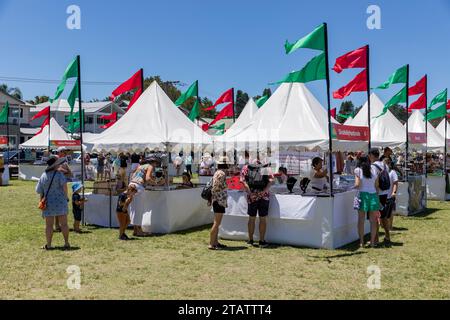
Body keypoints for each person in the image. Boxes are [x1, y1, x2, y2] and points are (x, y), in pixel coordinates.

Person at [36, 155, 71, 250]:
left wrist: (41, 201)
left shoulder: (43, 176)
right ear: (55, 165)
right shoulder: (59, 174)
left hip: (48, 203)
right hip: (61, 202)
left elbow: (39, 191)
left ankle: (49, 244)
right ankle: (66, 243)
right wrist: (66, 197)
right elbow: (64, 187)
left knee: (49, 225)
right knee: (64, 224)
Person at [240, 157, 274, 248]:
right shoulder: (265, 166)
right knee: (263, 219)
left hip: (252, 196)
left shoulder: (247, 167)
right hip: (264, 196)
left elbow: (242, 180)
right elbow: (271, 180)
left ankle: (250, 240)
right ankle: (261, 241)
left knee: (251, 218)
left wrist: (250, 192)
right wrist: (264, 191)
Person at [129, 154, 166, 237]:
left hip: (132, 185)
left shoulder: (140, 166)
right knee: (139, 209)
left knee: (134, 209)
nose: (157, 165)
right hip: (138, 187)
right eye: (156, 163)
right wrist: (157, 183)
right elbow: (148, 179)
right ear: (154, 162)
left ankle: (136, 230)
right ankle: (139, 231)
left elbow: (133, 176)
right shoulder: (150, 167)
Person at [354, 156, 380, 248]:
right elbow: (377, 185)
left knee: (361, 220)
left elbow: (357, 185)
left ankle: (361, 242)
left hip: (362, 195)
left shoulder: (358, 170)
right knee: (373, 221)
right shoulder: (374, 170)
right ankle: (372, 242)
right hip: (373, 196)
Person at [209, 156, 230, 250]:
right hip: (219, 200)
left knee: (216, 223)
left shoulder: (217, 172)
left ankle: (215, 242)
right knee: (217, 223)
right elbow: (216, 187)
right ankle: (211, 243)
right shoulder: (221, 173)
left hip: (217, 200)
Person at [369, 148, 390, 245]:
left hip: (377, 193)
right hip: (385, 192)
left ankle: (376, 239)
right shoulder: (385, 165)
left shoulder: (373, 167)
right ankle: (387, 235)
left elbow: (374, 182)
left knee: (375, 216)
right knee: (383, 216)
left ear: (372, 155)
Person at [384, 157, 399, 237]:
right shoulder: (381, 172)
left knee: (391, 212)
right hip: (382, 195)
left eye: (387, 163)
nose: (385, 165)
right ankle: (384, 226)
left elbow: (396, 183)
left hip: (390, 195)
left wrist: (394, 192)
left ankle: (390, 226)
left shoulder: (392, 172)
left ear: (389, 164)